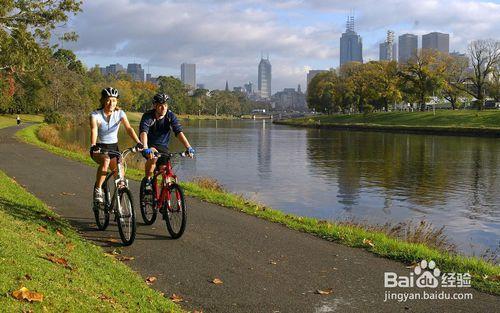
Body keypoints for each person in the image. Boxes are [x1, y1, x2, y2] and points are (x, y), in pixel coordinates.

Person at [89, 87, 143, 203]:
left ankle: (118, 205)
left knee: (120, 179)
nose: (111, 103)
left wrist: (138, 142)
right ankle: (98, 189)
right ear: (103, 100)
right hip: (99, 148)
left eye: (113, 100)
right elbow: (94, 130)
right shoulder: (95, 115)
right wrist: (93, 145)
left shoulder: (120, 113)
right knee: (106, 160)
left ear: (117, 101)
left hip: (114, 148)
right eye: (108, 100)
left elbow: (128, 129)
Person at [139, 93, 195, 185]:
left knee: (165, 171)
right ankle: (148, 181)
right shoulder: (148, 116)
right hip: (148, 145)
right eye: (161, 105)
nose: (163, 108)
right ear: (155, 106)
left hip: (162, 146)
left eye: (165, 105)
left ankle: (165, 195)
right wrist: (145, 147)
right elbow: (143, 132)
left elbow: (178, 132)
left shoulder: (170, 116)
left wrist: (188, 147)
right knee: (153, 159)